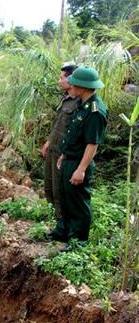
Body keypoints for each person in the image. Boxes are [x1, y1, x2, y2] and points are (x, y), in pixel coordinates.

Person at [52, 66, 107, 248]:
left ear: (82, 87)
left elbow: (92, 143)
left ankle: (78, 241)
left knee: (78, 203)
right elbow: (75, 136)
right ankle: (64, 232)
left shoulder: (94, 111)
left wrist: (81, 169)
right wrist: (64, 155)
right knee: (66, 198)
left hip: (79, 163)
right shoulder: (82, 105)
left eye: (73, 83)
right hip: (70, 159)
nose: (70, 86)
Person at [42, 63, 79, 240]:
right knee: (49, 187)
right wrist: (49, 141)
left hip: (64, 154)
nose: (59, 80)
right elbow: (59, 124)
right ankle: (60, 224)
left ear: (71, 79)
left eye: (61, 77)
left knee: (60, 191)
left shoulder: (80, 102)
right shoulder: (66, 98)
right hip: (53, 150)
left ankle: (65, 229)